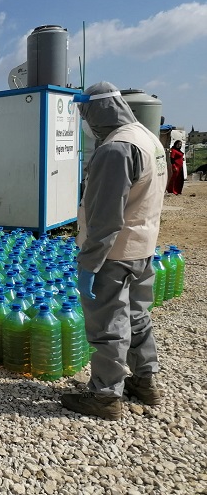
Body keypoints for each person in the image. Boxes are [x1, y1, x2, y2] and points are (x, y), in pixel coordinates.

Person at [61, 82, 167, 420]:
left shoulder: (115, 149)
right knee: (137, 316)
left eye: (85, 111)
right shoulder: (147, 138)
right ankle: (144, 381)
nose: (84, 120)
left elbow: (105, 217)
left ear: (98, 110)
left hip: (114, 253)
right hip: (143, 246)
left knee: (109, 324)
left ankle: (105, 396)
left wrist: (90, 263)